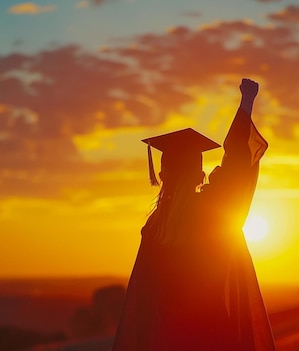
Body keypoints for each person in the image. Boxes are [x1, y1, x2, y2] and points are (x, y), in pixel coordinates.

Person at [112, 78, 276, 351]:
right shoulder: (210, 211)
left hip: (166, 336)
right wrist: (246, 104)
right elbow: (235, 164)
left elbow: (144, 299)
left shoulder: (154, 226)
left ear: (163, 175)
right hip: (211, 333)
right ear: (199, 174)